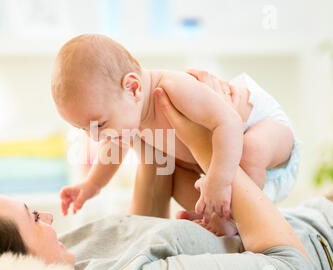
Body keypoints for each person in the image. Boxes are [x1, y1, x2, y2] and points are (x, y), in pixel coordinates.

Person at [0, 84, 333, 270]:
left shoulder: (69, 256)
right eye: (34, 219)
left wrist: (154, 126)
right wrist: (206, 142)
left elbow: (140, 228)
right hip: (331, 254)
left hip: (316, 216)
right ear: (14, 263)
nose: (50, 218)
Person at [52, 34, 300, 237]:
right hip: (226, 170)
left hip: (268, 139)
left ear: (133, 87)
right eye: (84, 129)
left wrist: (219, 180)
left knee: (250, 150)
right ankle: (218, 215)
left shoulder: (174, 89)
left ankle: (240, 221)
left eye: (99, 124)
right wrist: (92, 185)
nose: (95, 137)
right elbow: (114, 148)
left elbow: (230, 123)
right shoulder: (129, 113)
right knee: (172, 174)